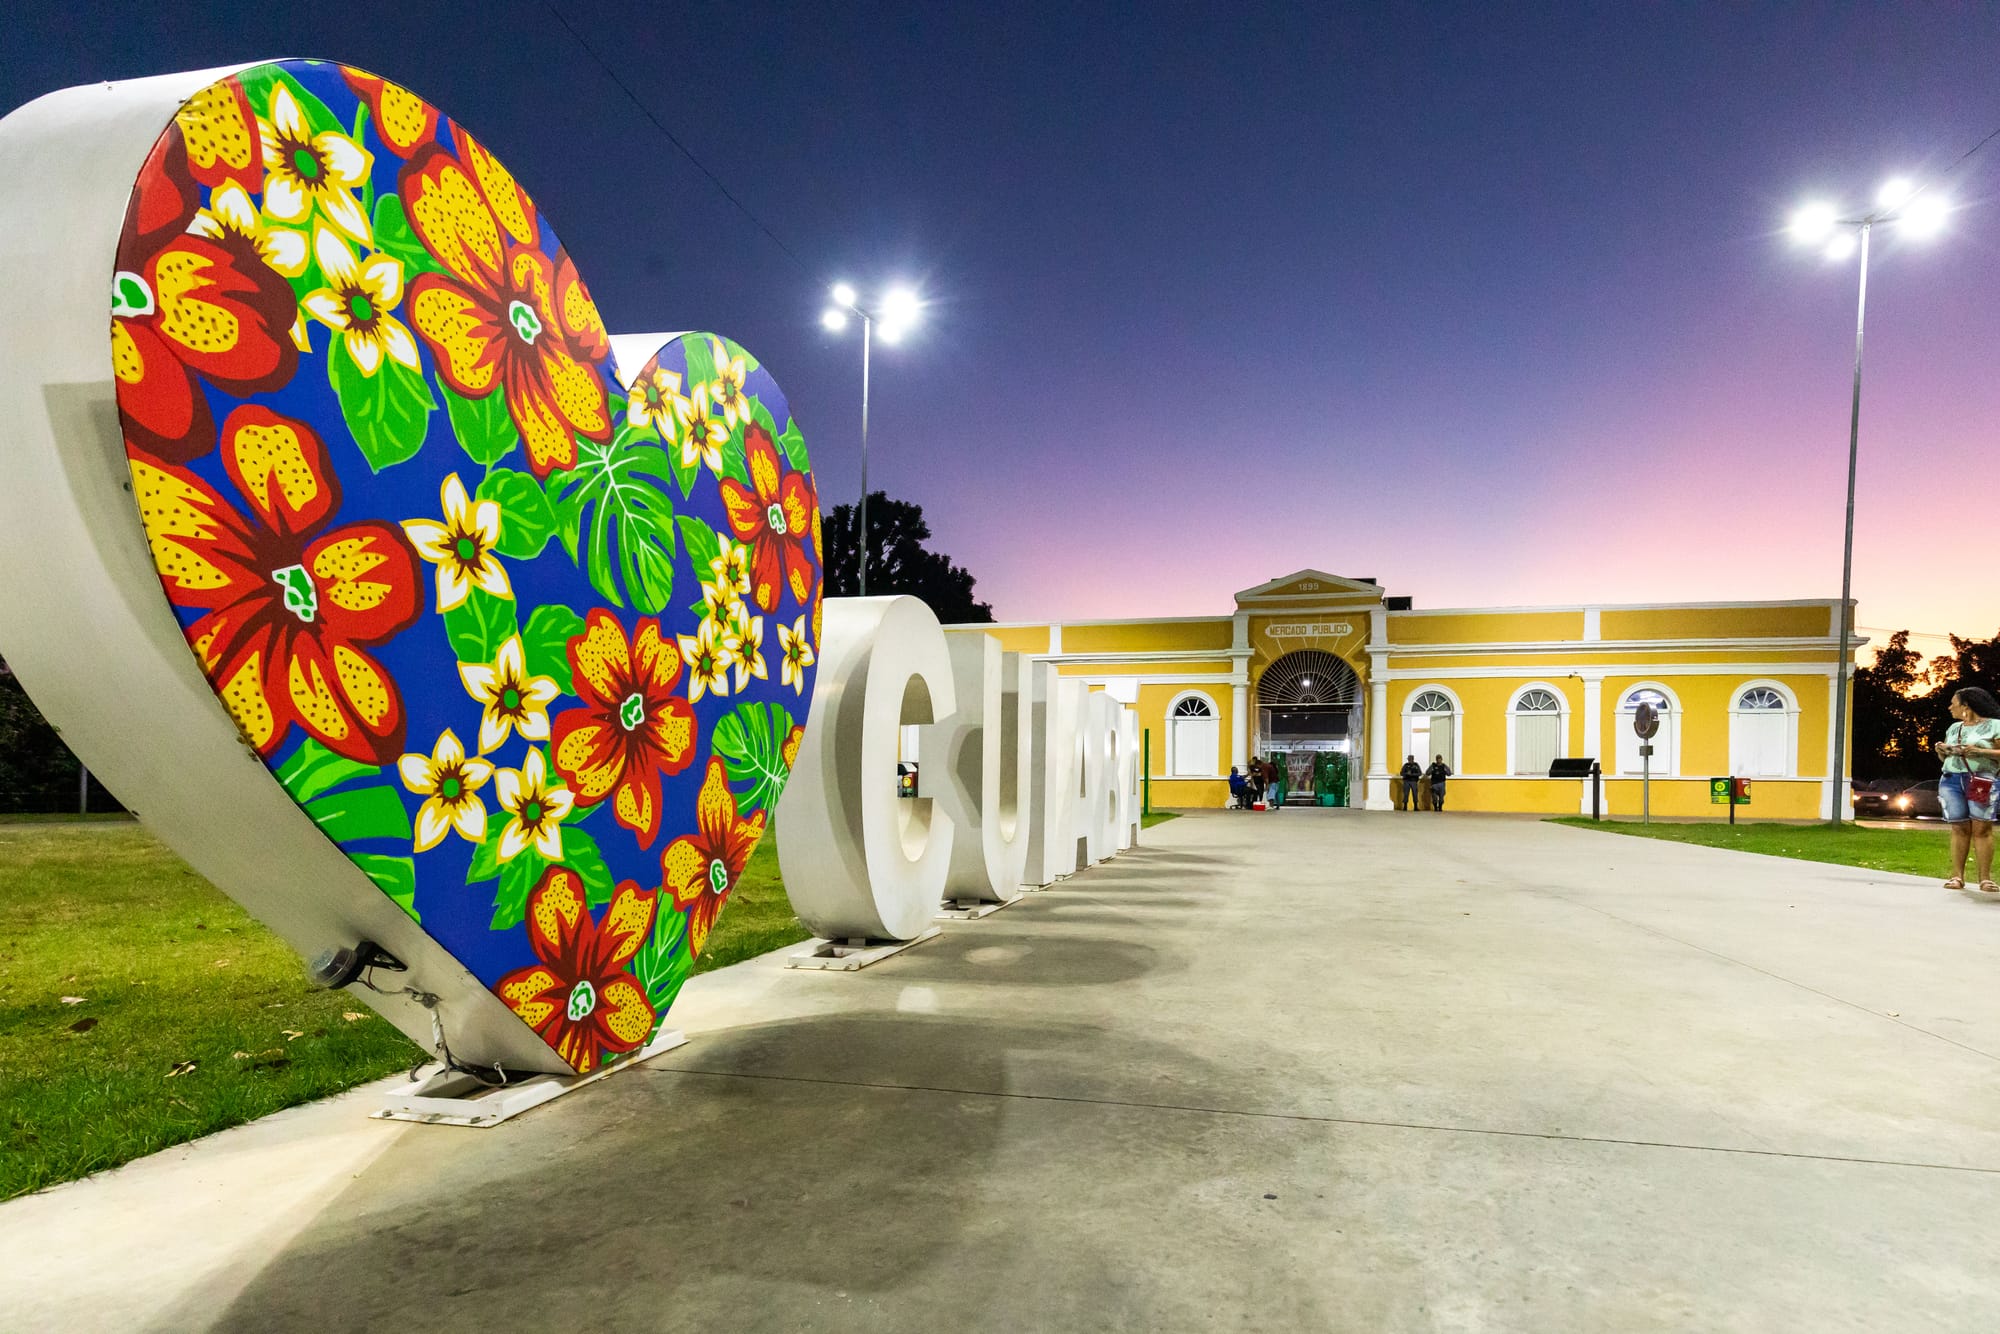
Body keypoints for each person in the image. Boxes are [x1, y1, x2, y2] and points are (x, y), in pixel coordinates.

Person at [1935, 687, 2000, 892]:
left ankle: (1985, 878)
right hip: (1951, 779)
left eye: (1953, 702)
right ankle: (1957, 877)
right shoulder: (1954, 728)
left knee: (1981, 828)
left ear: (1966, 706)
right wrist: (1942, 751)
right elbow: (1945, 758)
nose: (1949, 707)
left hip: (1981, 780)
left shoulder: (1995, 725)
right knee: (1959, 827)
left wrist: (1980, 751)